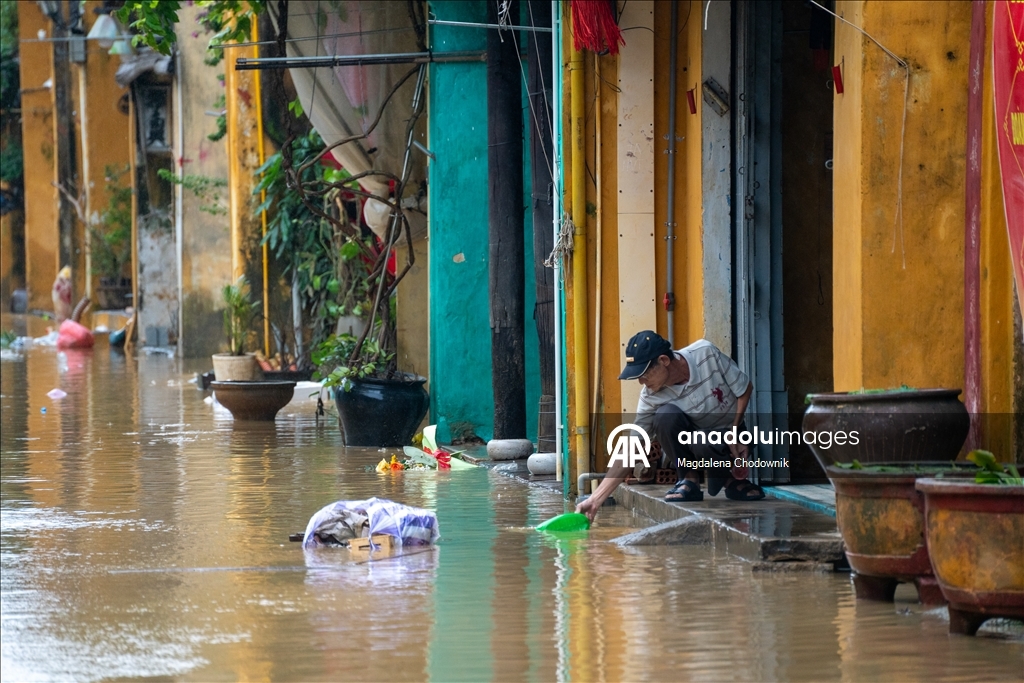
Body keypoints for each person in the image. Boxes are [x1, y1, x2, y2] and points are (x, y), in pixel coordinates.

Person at [576, 330, 765, 521]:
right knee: (665, 416)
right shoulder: (650, 396)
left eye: (644, 374)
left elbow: (744, 388)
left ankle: (729, 479)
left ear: (664, 361)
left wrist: (734, 429)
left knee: (704, 441)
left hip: (731, 432)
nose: (642, 382)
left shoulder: (705, 353)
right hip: (697, 439)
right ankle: (689, 479)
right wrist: (595, 499)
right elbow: (632, 448)